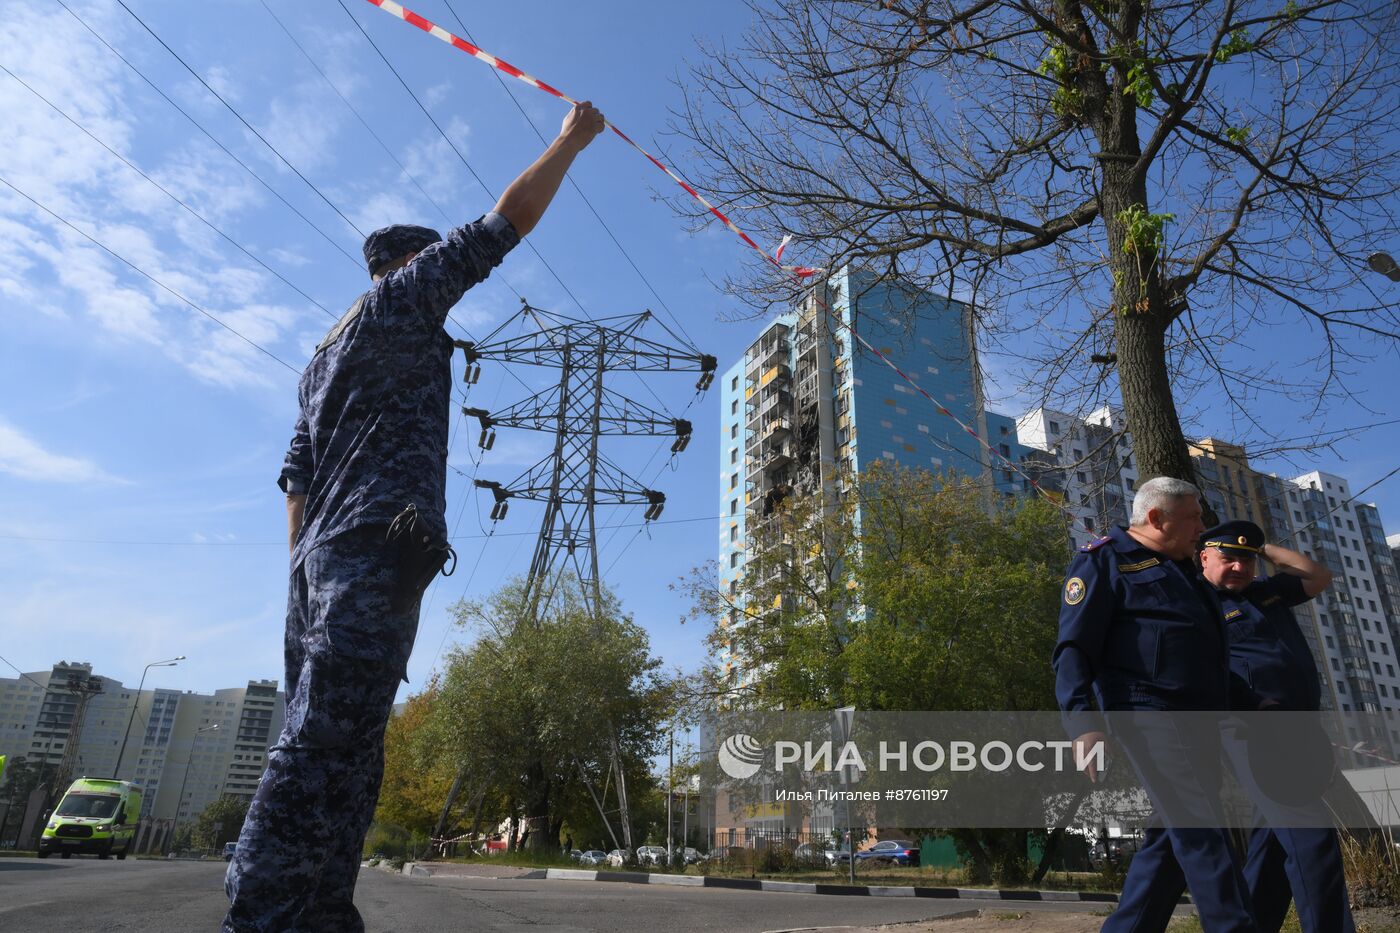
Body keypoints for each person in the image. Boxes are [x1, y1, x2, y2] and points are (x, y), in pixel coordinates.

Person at [222, 101, 607, 933]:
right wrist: (569, 141)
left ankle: (320, 913)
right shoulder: (401, 302)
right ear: (406, 263)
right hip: (369, 551)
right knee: (329, 742)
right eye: (430, 261)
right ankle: (259, 914)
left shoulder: (322, 352)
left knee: (349, 744)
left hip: (322, 563)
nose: (441, 273)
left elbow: (294, 476)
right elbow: (501, 227)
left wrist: (304, 571)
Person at [1053, 476, 1257, 932]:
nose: (1202, 527)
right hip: (1147, 713)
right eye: (1193, 517)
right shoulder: (1104, 561)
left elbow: (1205, 653)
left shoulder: (1185, 571)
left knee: (1173, 836)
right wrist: (1083, 723)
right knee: (1202, 830)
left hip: (1200, 720)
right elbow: (1073, 649)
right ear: (1155, 517)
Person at [1200, 520, 1353, 933]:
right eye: (1228, 558)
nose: (1238, 568)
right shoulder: (1198, 606)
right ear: (1204, 558)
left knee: (1270, 848)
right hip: (1253, 731)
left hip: (1298, 729)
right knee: (1312, 837)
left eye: (1245, 561)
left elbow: (1318, 575)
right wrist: (1252, 704)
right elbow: (1204, 673)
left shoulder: (1266, 593)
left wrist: (1262, 549)